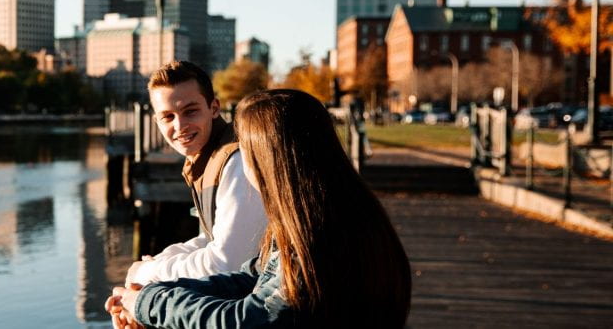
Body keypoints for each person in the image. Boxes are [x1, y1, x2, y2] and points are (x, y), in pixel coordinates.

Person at [106, 89, 412, 328]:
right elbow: (247, 278)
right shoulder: (333, 214)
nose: (241, 162)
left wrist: (150, 303)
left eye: (245, 152)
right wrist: (147, 295)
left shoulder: (321, 239)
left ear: (272, 161)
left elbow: (246, 320)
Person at [122, 61, 266, 287]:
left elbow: (225, 262)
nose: (180, 126)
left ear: (214, 108)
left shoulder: (237, 161)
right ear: (157, 121)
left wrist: (148, 272)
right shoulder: (209, 158)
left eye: (190, 111)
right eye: (167, 117)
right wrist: (158, 262)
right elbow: (212, 239)